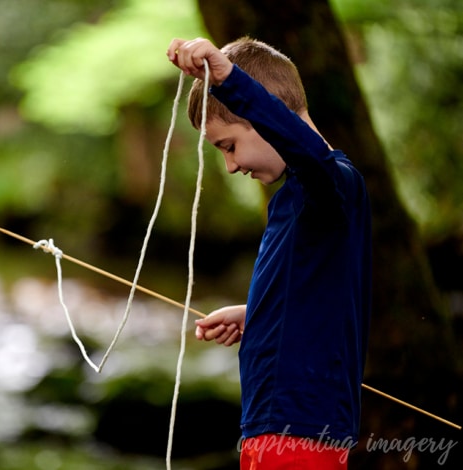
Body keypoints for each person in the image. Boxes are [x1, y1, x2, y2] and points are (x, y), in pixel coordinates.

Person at [166, 37, 372, 469]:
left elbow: (308, 154)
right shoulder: (295, 200)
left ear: (266, 116)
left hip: (297, 435)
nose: (231, 165)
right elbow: (325, 292)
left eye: (228, 145)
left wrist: (229, 80)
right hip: (276, 433)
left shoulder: (331, 184)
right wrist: (258, 313)